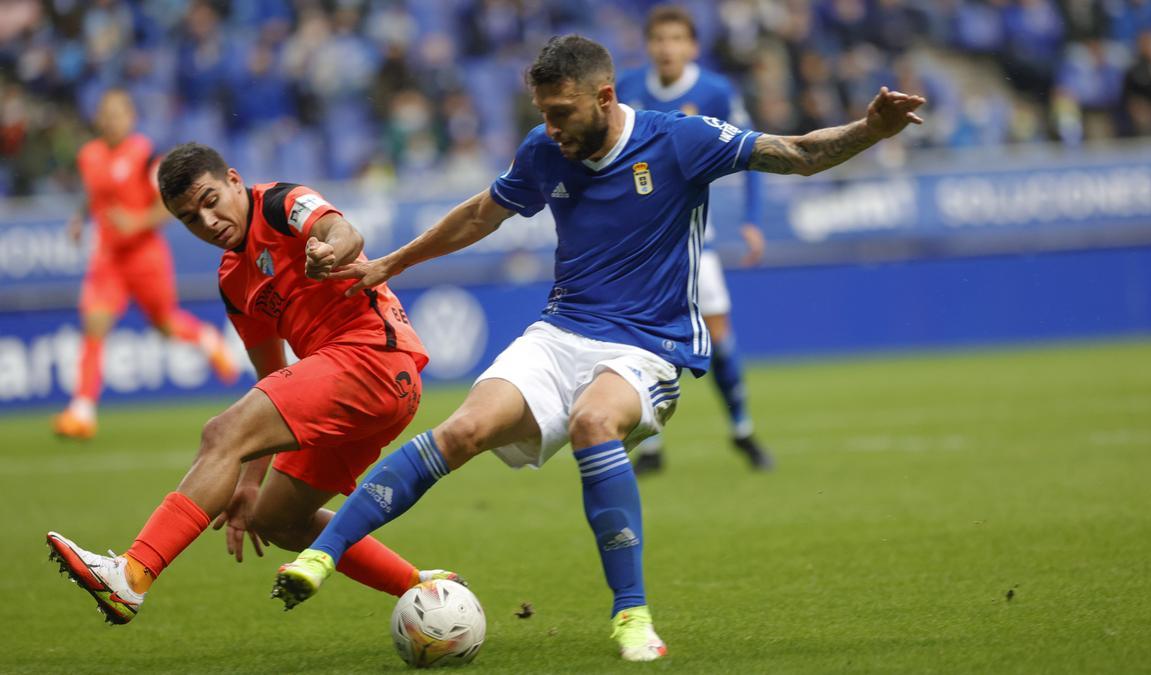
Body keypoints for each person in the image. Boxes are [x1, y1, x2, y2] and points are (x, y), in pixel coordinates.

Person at [274, 35, 924, 662]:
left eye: (561, 113)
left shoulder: (679, 140)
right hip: (561, 332)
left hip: (649, 345)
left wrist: (869, 129)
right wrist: (391, 262)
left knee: (593, 421)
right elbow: (480, 213)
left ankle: (631, 613)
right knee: (464, 427)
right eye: (544, 115)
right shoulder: (543, 150)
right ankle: (319, 554)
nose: (552, 128)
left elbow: (798, 153)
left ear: (605, 95)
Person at [46, 143, 458, 625]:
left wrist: (328, 248)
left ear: (235, 181)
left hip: (373, 359)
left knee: (221, 434)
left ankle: (131, 575)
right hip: (355, 384)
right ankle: (425, 589)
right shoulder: (232, 280)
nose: (207, 220)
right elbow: (271, 378)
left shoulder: (282, 204)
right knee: (276, 518)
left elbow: (343, 231)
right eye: (189, 218)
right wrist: (248, 481)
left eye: (209, 199)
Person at [617, 5, 773, 474]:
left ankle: (741, 429)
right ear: (649, 46)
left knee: (718, 336)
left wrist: (752, 219)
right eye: (659, 40)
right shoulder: (626, 90)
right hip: (639, 244)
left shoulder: (715, 92)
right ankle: (649, 447)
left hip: (694, 239)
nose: (666, 48)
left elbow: (755, 152)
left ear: (692, 47)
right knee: (638, 342)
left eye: (675, 40)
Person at [54, 89, 238, 440]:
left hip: (145, 256)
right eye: (106, 114)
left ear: (131, 118)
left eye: (118, 114)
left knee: (164, 325)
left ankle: (206, 338)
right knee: (94, 323)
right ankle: (81, 411)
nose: (111, 121)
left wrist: (135, 222)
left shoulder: (145, 156)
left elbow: (167, 206)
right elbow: (96, 196)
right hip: (107, 258)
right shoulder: (89, 155)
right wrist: (79, 218)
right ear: (98, 119)